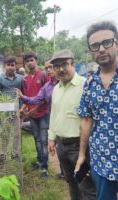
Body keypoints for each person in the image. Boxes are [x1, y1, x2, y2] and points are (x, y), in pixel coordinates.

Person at [75, 21, 118, 200]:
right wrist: (82, 155)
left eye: (107, 42)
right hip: (102, 160)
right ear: (90, 50)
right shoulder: (89, 84)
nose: (101, 49)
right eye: (95, 45)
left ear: (116, 42)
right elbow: (86, 121)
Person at [48, 49, 96, 200]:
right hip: (61, 146)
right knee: (71, 181)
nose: (61, 69)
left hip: (80, 146)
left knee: (87, 186)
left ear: (73, 64)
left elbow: (92, 118)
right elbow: (54, 114)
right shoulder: (56, 89)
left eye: (65, 64)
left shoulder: (85, 86)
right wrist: (51, 137)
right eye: (57, 66)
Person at [21, 51, 50, 178]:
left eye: (31, 60)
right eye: (27, 61)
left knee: (44, 140)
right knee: (36, 139)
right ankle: (39, 161)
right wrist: (23, 109)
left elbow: (46, 97)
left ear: (36, 61)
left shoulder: (44, 75)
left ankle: (45, 167)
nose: (29, 63)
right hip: (32, 116)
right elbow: (26, 98)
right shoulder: (25, 79)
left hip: (43, 113)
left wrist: (33, 110)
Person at [0, 55, 23, 162]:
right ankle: (3, 154)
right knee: (4, 133)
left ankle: (15, 154)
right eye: (8, 65)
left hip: (17, 112)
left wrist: (22, 108)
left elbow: (24, 94)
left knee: (16, 133)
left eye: (13, 65)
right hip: (4, 112)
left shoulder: (20, 78)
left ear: (15, 66)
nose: (10, 67)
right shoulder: (0, 79)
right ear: (5, 66)